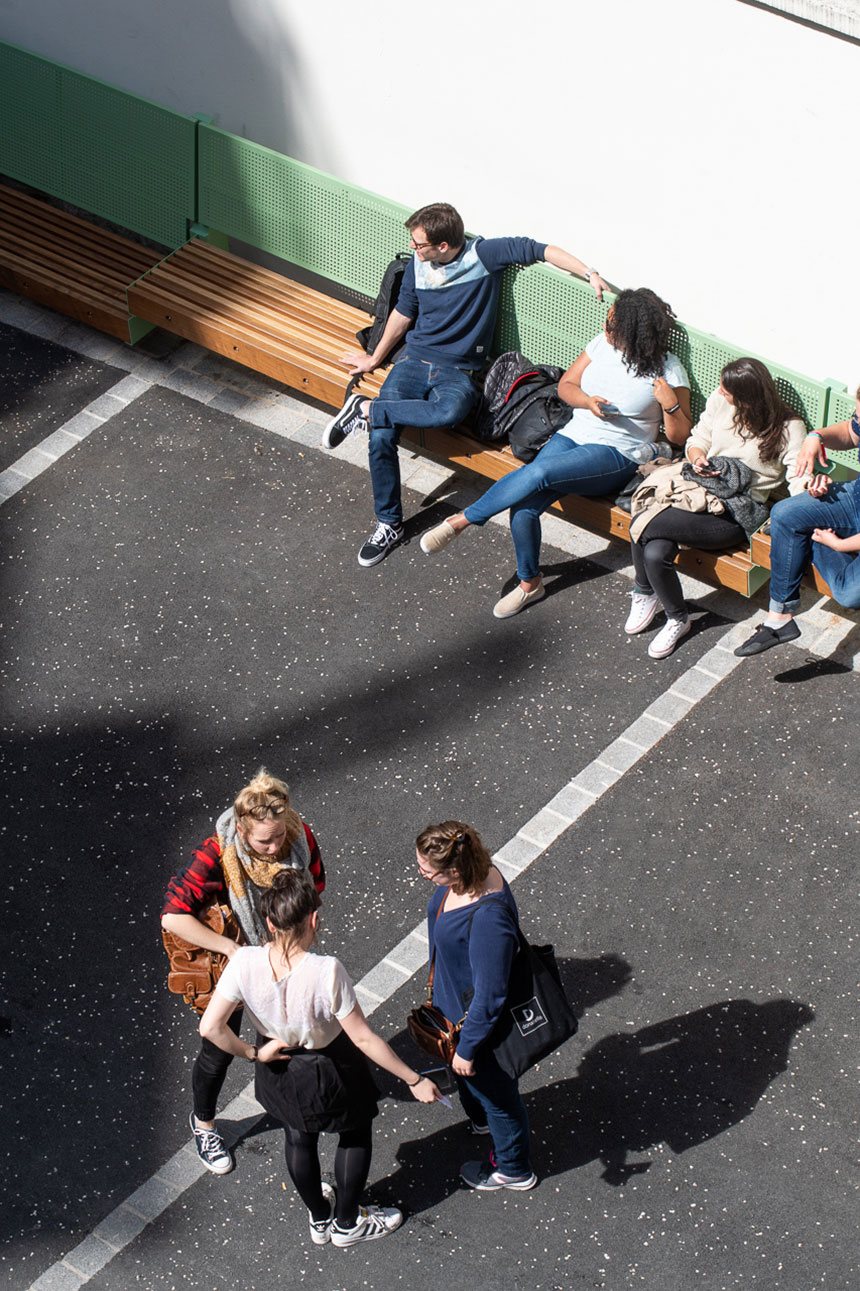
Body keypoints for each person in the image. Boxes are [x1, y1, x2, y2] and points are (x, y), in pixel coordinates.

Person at [321, 201, 609, 568]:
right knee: (381, 435)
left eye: (419, 245)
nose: (414, 250)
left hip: (458, 371)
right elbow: (403, 313)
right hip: (412, 361)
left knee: (451, 410)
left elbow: (540, 249)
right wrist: (374, 358)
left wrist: (590, 272)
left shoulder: (484, 255)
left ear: (443, 246)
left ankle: (365, 409)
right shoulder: (417, 266)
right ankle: (388, 523)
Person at [199, 869, 439, 1247]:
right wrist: (414, 1079)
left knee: (298, 1137)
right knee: (355, 1132)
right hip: (329, 1066)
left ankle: (319, 1217)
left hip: (277, 1063)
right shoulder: (327, 971)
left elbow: (211, 1027)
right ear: (313, 919)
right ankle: (347, 1224)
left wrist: (253, 1053)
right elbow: (363, 1037)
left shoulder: (243, 961)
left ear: (269, 922)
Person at [420, 288, 691, 617]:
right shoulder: (601, 345)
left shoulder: (667, 371)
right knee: (523, 506)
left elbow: (679, 436)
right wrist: (587, 402)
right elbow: (566, 386)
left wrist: (670, 403)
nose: (606, 328)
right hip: (572, 435)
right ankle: (529, 583)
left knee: (538, 472)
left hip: (617, 454)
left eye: (613, 326)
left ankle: (461, 521)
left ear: (633, 333)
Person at [161, 769, 325, 1175]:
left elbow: (314, 889)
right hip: (235, 965)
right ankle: (203, 1125)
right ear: (241, 829)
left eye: (279, 837)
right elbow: (172, 917)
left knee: (286, 1038)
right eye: (262, 841)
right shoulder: (217, 853)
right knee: (217, 1052)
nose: (273, 848)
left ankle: (295, 1116)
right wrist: (234, 949)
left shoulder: (298, 836)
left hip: (281, 955)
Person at [625, 357, 808, 658]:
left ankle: (644, 591)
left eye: (727, 390)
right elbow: (698, 439)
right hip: (698, 490)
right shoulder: (720, 402)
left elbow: (798, 478)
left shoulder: (789, 428)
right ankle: (677, 618)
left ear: (748, 398)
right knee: (655, 552)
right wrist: (698, 458)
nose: (720, 392)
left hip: (734, 514)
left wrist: (799, 513)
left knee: (642, 520)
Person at [415, 820, 537, 1192]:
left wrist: (467, 1049)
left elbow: (490, 995)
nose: (420, 873)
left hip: (476, 1027)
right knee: (477, 1088)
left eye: (426, 870)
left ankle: (513, 1169)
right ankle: (482, 1120)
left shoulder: (487, 918)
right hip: (454, 1013)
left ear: (454, 870)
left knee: (499, 1098)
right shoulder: (473, 875)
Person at [735, 384, 860, 655]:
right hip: (856, 499)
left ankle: (815, 536)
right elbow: (850, 433)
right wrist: (817, 436)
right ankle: (779, 618)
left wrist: (840, 545)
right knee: (785, 514)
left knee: (849, 594)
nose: (859, 422)